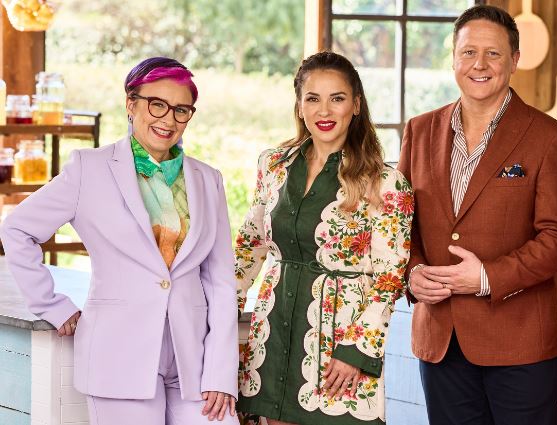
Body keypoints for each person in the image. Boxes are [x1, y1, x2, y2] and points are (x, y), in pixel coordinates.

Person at [0, 57, 239, 424]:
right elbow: (16, 229)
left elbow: (221, 281)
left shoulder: (208, 180)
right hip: (118, 354)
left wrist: (221, 372)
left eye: (181, 110)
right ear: (131, 103)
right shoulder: (88, 169)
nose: (168, 119)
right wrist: (50, 304)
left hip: (195, 359)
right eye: (156, 104)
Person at [397, 5, 557, 425]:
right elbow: (398, 227)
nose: (479, 65)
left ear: (515, 60)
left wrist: (486, 278)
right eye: (468, 52)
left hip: (520, 344)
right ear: (453, 59)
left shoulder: (551, 138)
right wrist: (412, 271)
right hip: (441, 339)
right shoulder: (419, 130)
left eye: (494, 54)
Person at [234, 51, 413, 425]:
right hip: (272, 333)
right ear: (299, 106)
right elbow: (249, 248)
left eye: (338, 98)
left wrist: (358, 349)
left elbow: (389, 279)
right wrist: (221, 318)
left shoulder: (386, 183)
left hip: (340, 345)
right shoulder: (274, 164)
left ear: (356, 105)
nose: (324, 110)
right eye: (313, 98)